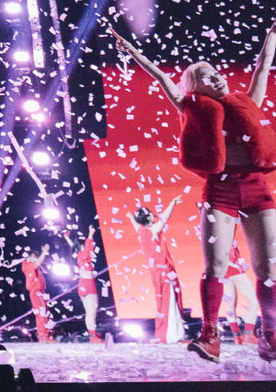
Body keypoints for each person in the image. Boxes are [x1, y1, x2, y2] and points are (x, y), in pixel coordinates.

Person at [113, 21, 276, 362]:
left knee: (269, 270)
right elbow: (162, 78)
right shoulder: (190, 106)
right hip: (220, 191)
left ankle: (271, 335)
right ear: (195, 87)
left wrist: (272, 33)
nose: (216, 77)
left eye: (216, 72)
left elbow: (262, 65)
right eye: (205, 76)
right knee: (215, 267)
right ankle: (210, 335)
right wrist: (134, 53)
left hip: (257, 189)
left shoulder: (248, 100)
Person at [128, 198, 184, 345]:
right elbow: (164, 218)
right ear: (148, 217)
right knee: (169, 301)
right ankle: (171, 336)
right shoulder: (152, 230)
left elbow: (135, 223)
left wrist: (131, 217)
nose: (155, 215)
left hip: (156, 273)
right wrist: (172, 203)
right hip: (164, 272)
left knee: (162, 302)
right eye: (152, 214)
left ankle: (166, 334)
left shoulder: (140, 231)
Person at [225, 242, 258, 346]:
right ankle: (248, 334)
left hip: (223, 273)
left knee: (230, 305)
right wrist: (238, 265)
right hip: (235, 272)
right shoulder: (224, 233)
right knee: (254, 300)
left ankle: (237, 337)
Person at [20, 244, 54, 342]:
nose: (36, 259)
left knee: (44, 313)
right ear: (29, 257)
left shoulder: (35, 267)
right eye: (34, 256)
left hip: (41, 291)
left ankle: (43, 335)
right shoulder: (26, 264)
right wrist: (44, 251)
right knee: (42, 313)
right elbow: (37, 263)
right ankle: (44, 335)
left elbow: (40, 263)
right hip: (35, 291)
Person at [75, 225, 102, 343]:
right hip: (88, 284)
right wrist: (91, 233)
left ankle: (93, 336)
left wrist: (67, 239)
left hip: (81, 285)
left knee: (88, 312)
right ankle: (93, 337)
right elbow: (89, 246)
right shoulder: (83, 253)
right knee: (92, 312)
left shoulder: (78, 256)